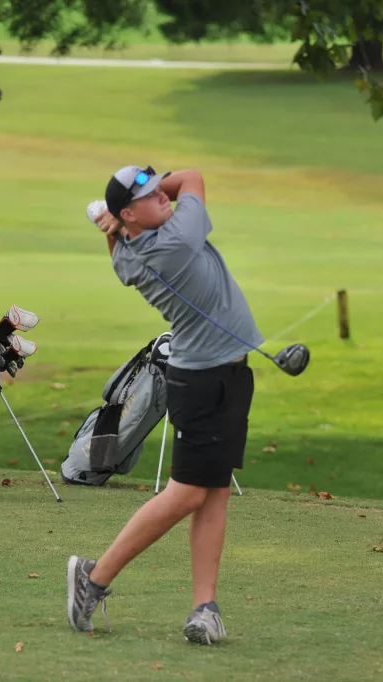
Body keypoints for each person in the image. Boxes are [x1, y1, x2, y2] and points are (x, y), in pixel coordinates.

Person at [66, 165, 264, 645]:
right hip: (204, 381)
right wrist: (122, 213)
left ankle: (204, 609)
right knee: (188, 494)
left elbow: (125, 243)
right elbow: (192, 177)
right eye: (151, 197)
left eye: (160, 191)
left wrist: (117, 221)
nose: (164, 198)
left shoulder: (128, 254)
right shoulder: (176, 240)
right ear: (131, 215)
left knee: (214, 491)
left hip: (227, 374)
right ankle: (94, 577)